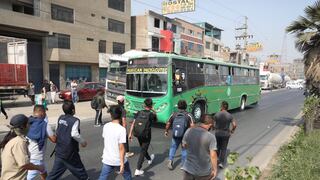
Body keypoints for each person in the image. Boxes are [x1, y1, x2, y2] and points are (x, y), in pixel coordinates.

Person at [47, 101, 89, 180]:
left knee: (54, 174)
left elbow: (57, 129)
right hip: (70, 152)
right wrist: (83, 142)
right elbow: (74, 134)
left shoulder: (60, 118)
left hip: (59, 150)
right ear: (73, 110)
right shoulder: (75, 120)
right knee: (80, 170)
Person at [0, 114, 44, 179]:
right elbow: (24, 164)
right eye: (29, 124)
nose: (30, 126)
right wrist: (39, 167)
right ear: (23, 127)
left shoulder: (10, 139)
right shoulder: (19, 142)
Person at [98, 105, 132, 180]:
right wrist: (122, 163)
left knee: (103, 177)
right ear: (120, 115)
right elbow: (121, 148)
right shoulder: (121, 129)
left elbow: (106, 140)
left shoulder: (106, 126)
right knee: (127, 176)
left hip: (107, 158)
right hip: (118, 160)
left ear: (111, 115)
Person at [182, 115, 218, 180]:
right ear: (210, 125)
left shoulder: (189, 131)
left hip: (188, 169)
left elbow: (184, 145)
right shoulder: (211, 137)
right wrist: (215, 170)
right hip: (203, 173)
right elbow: (213, 155)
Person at [27, 105, 57, 180]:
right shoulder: (45, 125)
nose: (46, 114)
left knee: (43, 170)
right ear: (42, 113)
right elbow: (54, 139)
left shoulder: (28, 123)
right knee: (29, 177)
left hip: (28, 154)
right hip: (37, 158)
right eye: (45, 112)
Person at [128, 98, 157, 176]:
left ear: (144, 105)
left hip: (138, 134)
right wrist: (154, 111)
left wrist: (130, 133)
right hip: (146, 135)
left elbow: (133, 123)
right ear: (151, 105)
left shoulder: (139, 112)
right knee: (143, 150)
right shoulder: (151, 114)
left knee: (143, 147)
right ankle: (138, 169)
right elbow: (155, 120)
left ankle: (149, 159)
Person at [165, 100, 195, 170]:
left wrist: (166, 131)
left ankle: (170, 160)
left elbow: (168, 124)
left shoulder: (173, 114)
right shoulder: (189, 115)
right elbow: (192, 126)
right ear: (185, 106)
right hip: (185, 136)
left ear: (178, 106)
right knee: (184, 149)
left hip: (175, 134)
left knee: (173, 147)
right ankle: (183, 165)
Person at [214, 101, 237, 169]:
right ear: (227, 107)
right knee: (224, 148)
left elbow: (212, 123)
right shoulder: (230, 115)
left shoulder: (217, 114)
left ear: (221, 107)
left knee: (217, 146)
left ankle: (215, 159)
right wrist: (232, 130)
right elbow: (234, 125)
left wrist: (214, 127)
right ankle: (221, 163)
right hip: (226, 134)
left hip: (218, 133)